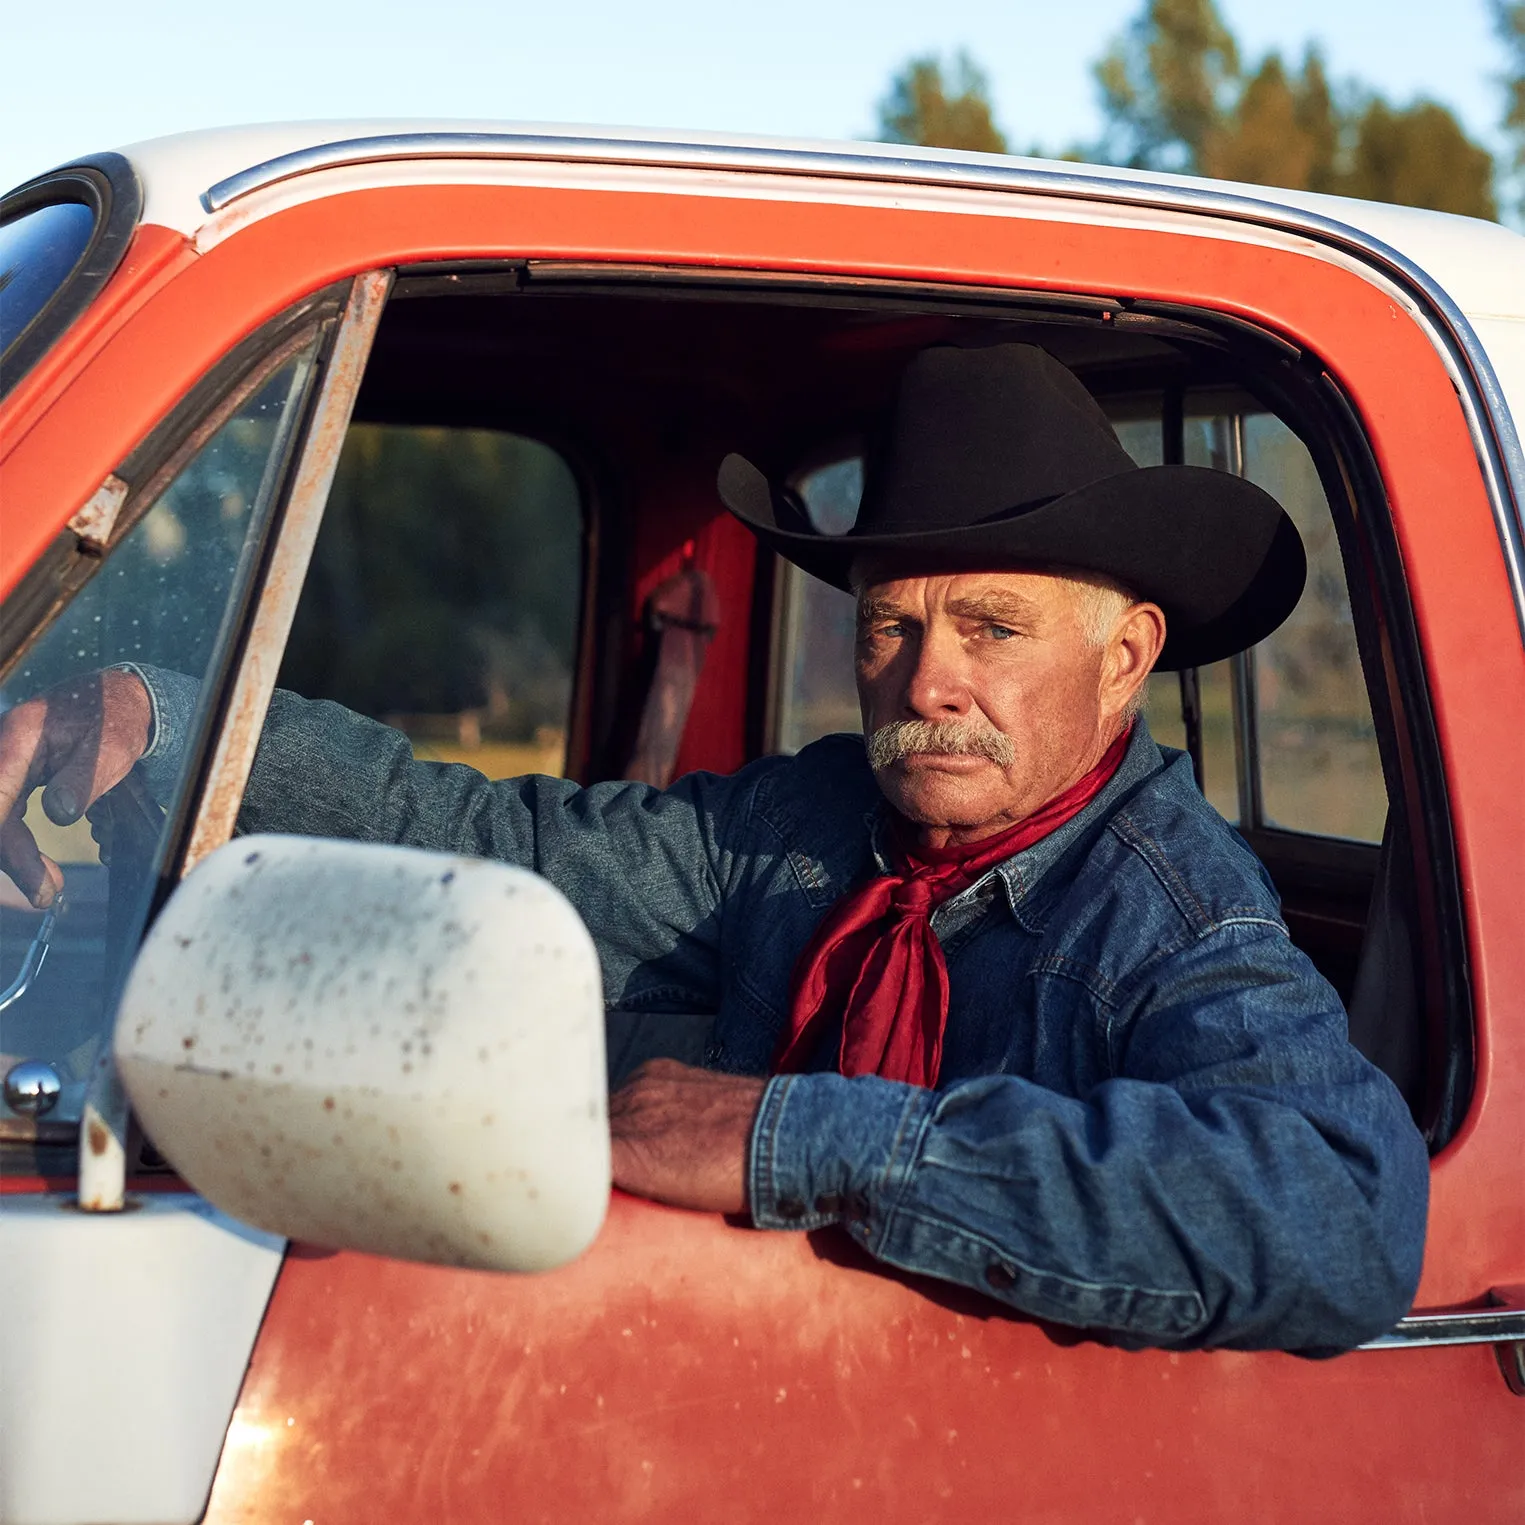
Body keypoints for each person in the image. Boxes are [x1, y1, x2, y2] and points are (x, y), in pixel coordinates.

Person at [0, 344, 1427, 1353]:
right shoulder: (805, 829)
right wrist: (154, 718)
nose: (926, 681)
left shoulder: (1166, 909)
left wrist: (783, 1135)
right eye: (890, 626)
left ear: (1124, 660)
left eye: (991, 629)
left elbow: (1335, 1209)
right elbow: (480, 841)